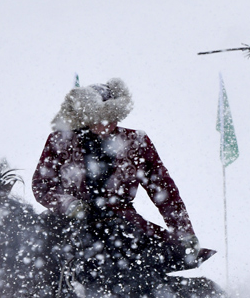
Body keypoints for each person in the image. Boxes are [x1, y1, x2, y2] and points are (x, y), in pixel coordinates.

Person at [33, 78, 209, 285]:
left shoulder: (137, 142)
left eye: (112, 116)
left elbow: (164, 191)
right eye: (99, 117)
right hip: (67, 222)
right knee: (30, 252)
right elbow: (42, 185)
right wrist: (69, 204)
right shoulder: (60, 141)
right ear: (85, 117)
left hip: (120, 224)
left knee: (135, 274)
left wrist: (183, 231)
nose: (106, 123)